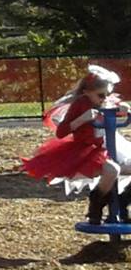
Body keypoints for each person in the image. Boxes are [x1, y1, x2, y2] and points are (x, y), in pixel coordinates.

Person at [22, 65, 129, 225]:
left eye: (107, 94)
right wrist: (82, 119)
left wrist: (124, 109)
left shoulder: (103, 101)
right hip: (85, 150)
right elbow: (62, 132)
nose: (105, 98)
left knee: (121, 169)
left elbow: (117, 108)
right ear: (86, 92)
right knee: (112, 170)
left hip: (104, 146)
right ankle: (96, 206)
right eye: (101, 95)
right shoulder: (80, 105)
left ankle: (122, 203)